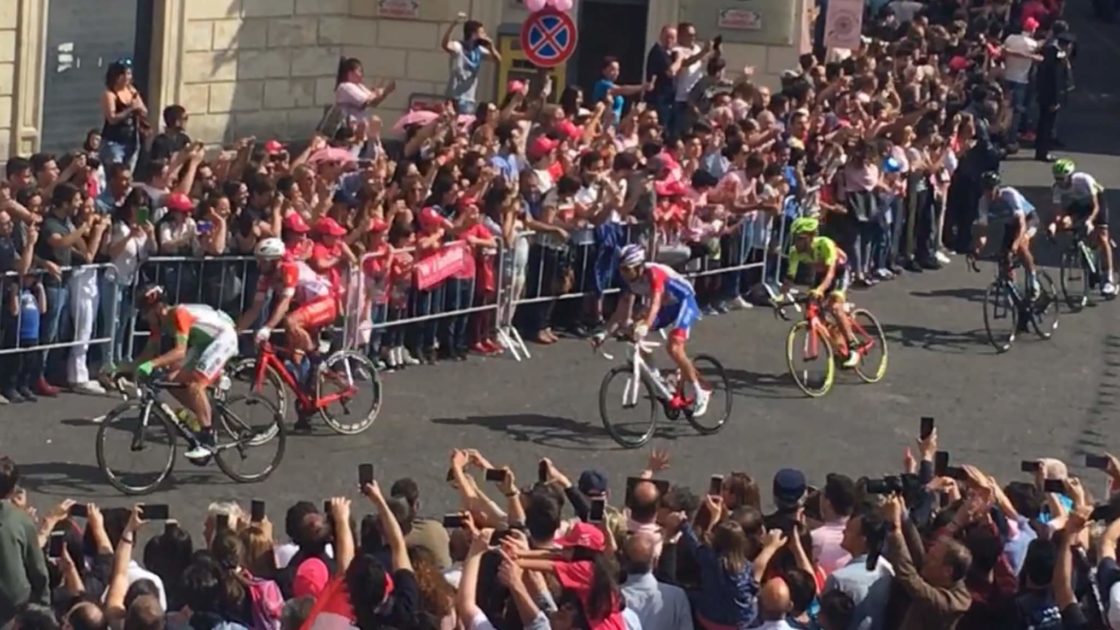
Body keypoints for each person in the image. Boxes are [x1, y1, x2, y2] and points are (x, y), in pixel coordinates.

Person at [592, 243, 711, 416]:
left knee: (674, 347)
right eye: (622, 269)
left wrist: (646, 325)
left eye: (628, 269)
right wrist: (603, 333)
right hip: (667, 306)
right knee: (635, 332)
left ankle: (701, 392)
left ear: (639, 266)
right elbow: (620, 311)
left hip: (684, 302)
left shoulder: (654, 273)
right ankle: (659, 380)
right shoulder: (629, 281)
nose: (624, 274)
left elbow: (655, 302)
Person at [126, 284, 238, 459]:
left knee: (196, 386)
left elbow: (179, 352)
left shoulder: (179, 314)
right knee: (172, 379)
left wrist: (151, 365)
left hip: (223, 338)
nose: (144, 317)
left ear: (158, 309)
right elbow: (148, 352)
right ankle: (202, 415)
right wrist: (122, 368)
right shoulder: (159, 322)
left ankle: (208, 439)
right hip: (204, 344)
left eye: (146, 312)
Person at [237, 238, 336, 418]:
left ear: (274, 260)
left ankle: (317, 363)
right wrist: (235, 332)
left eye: (262, 260)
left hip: (324, 302)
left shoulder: (289, 267)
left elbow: (283, 304)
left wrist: (266, 328)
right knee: (295, 357)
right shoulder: (266, 276)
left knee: (290, 322)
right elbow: (255, 308)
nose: (259, 264)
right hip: (306, 307)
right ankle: (308, 400)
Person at [779, 217, 861, 369]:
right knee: (812, 312)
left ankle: (853, 345)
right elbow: (789, 279)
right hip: (821, 275)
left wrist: (820, 290)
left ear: (811, 236)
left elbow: (831, 274)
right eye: (794, 239)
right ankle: (837, 341)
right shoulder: (795, 253)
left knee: (835, 306)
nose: (796, 243)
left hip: (840, 272)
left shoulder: (825, 244)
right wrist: (779, 298)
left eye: (800, 239)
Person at [1047, 159, 1115, 296]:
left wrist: (1090, 221)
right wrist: (1054, 225)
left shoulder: (1085, 180)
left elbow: (1095, 207)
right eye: (1057, 178)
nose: (1060, 182)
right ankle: (1084, 250)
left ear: (1070, 176)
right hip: (1079, 203)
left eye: (1062, 178)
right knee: (1065, 223)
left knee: (1102, 237)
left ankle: (1109, 279)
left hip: (1096, 203)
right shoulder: (1056, 188)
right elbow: (1058, 212)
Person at [972, 171, 1041, 298]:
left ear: (997, 187)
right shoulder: (983, 202)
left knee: (1020, 246)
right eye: (985, 189)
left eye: (991, 189)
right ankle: (1012, 287)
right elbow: (983, 232)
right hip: (1010, 225)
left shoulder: (1009, 194)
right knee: (1004, 256)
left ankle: (1033, 280)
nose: (988, 193)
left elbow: (1022, 225)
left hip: (1029, 220)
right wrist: (977, 250)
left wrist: (1014, 245)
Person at [0, 456, 50, 627]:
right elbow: (37, 569)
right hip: (13, 606)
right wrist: (44, 606)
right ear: (13, 489)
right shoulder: (20, 521)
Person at [441, 15, 500, 114]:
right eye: (482, 32)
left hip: (469, 98)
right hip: (454, 97)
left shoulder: (479, 50)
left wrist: (491, 47)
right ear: (473, 34)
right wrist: (453, 24)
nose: (485, 34)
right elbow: (445, 45)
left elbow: (497, 60)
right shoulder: (459, 47)